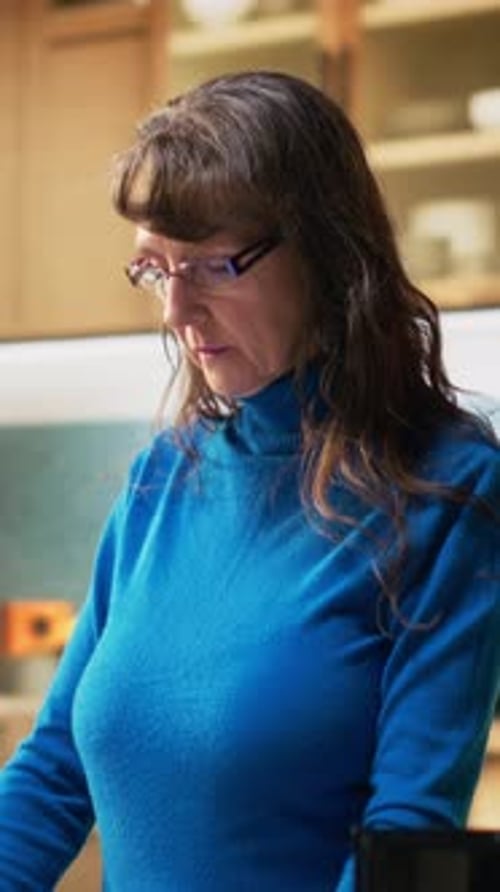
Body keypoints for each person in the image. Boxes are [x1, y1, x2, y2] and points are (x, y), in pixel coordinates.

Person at [0, 70, 499, 892]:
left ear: (328, 253)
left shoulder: (446, 493)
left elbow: (407, 841)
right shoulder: (164, 477)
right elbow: (55, 771)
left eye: (212, 265)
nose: (175, 310)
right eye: (156, 268)